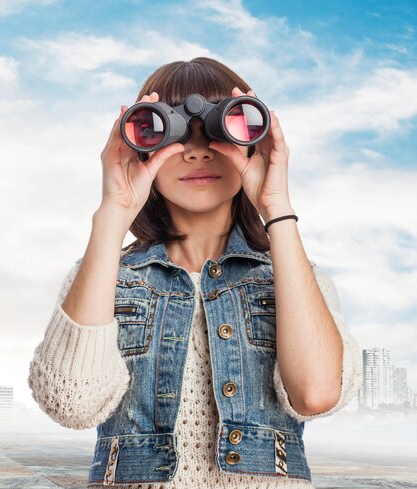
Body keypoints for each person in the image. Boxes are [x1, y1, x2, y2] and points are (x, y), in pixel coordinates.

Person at [28, 57, 361, 488]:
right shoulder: (102, 275)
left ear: (254, 142)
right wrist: (113, 213)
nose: (198, 150)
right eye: (171, 131)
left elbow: (315, 394)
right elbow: (71, 402)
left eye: (221, 128)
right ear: (137, 144)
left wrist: (276, 207)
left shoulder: (297, 277)